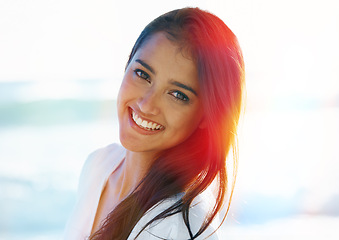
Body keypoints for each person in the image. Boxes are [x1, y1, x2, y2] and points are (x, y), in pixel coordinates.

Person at [64, 7, 245, 240]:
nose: (147, 104)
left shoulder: (179, 225)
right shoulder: (98, 166)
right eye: (142, 74)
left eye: (178, 95)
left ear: (206, 116)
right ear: (127, 66)